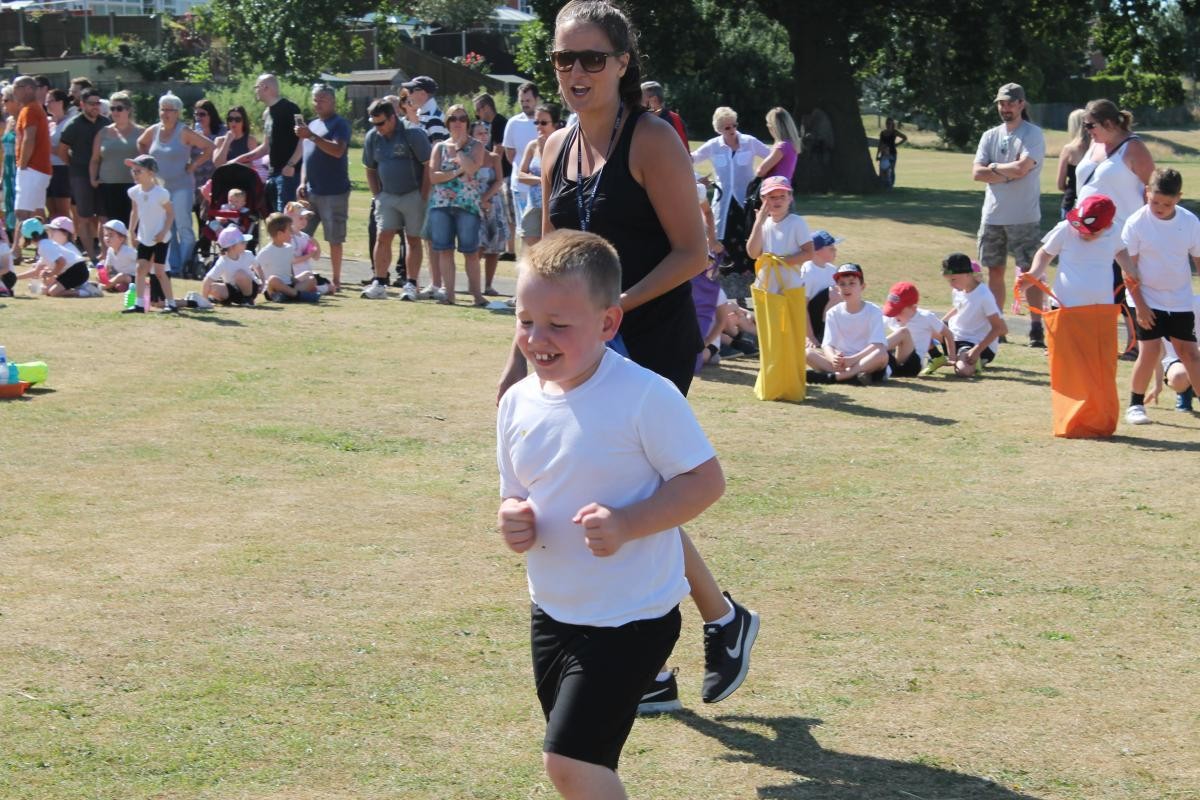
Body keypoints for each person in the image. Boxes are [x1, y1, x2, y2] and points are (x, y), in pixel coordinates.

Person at [500, 0, 759, 717]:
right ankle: (706, 627)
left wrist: (618, 315)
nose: (576, 73)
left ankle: (687, 634)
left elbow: (694, 252)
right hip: (586, 340)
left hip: (649, 340)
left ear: (622, 63)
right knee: (605, 494)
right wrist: (521, 355)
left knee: (635, 494)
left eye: (591, 58)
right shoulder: (552, 149)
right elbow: (548, 269)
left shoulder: (650, 140)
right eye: (563, 59)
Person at [497, 230, 727, 800]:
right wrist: (512, 516)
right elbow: (515, 490)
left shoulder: (645, 396)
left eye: (558, 324)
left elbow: (704, 482)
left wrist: (626, 523)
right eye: (526, 320)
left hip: (632, 618)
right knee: (584, 762)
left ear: (607, 323)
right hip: (553, 611)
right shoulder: (517, 401)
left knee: (568, 763)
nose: (537, 338)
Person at [1118, 169, 1200, 425]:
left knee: (1190, 354)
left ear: (1179, 198)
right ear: (1147, 193)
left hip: (1179, 298)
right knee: (1150, 351)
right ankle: (1135, 405)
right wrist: (1140, 306)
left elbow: (1198, 259)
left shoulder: (1189, 222)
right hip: (1145, 298)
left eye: (1166, 203)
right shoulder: (1136, 222)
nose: (1159, 208)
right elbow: (1128, 270)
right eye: (1155, 201)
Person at [1076, 98, 1157, 357]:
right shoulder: (1094, 144)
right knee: (1093, 288)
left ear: (1109, 123)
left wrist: (1151, 229)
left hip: (1122, 233)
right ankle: (1096, 341)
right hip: (1088, 231)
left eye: (1090, 125)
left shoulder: (1134, 148)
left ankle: (1135, 343)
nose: (1087, 130)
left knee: (1122, 290)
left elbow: (1152, 190)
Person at [971, 82, 1045, 347]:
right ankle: (998, 327)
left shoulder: (1032, 134)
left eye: (1010, 103)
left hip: (1024, 216)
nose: (1005, 108)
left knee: (1030, 272)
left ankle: (1036, 327)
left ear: (1021, 104)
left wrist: (994, 169)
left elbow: (1023, 168)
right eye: (1001, 103)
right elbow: (977, 173)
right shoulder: (990, 135)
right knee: (995, 272)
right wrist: (1004, 170)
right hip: (992, 216)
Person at [691, 106, 772, 303]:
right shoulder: (713, 145)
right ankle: (727, 296)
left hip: (746, 203)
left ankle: (754, 291)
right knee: (724, 245)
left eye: (734, 125)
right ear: (719, 129)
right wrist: (700, 178)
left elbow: (773, 157)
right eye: (727, 127)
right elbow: (685, 160)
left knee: (750, 243)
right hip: (724, 204)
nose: (732, 130)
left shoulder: (750, 142)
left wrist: (765, 182)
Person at [361, 100, 432, 300]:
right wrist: (378, 195)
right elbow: (370, 169)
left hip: (412, 194)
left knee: (413, 239)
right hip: (388, 196)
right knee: (383, 236)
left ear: (392, 117)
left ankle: (411, 284)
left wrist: (423, 195)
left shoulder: (413, 134)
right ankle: (379, 282)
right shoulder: (372, 138)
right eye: (374, 123)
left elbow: (428, 165)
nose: (377, 128)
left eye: (381, 123)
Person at [137, 93, 214, 276]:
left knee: (183, 226)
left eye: (170, 110)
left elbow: (209, 147)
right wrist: (146, 166)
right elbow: (141, 143)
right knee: (166, 228)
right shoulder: (154, 130)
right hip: (160, 187)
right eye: (163, 109)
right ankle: (174, 266)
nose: (165, 113)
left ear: (177, 112)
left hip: (181, 186)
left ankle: (187, 265)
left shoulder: (184, 131)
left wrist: (194, 164)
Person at [1021, 193, 1128, 308]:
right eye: (1080, 227)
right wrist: (1034, 274)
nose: (1083, 233)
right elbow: (1046, 253)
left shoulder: (1113, 231)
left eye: (1091, 232)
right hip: (1065, 305)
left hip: (1101, 306)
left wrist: (1131, 271)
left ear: (1107, 226)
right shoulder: (1066, 228)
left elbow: (1121, 251)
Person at [427, 104, 486, 306]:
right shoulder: (439, 147)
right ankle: (449, 294)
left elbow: (471, 169)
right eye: (453, 119)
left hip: (468, 205)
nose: (458, 123)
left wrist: (460, 149)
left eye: (462, 119)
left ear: (468, 123)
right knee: (444, 250)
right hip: (441, 204)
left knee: (470, 252)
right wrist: (454, 173)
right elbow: (433, 177)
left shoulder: (476, 146)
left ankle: (477, 295)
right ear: (447, 123)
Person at [295, 85, 350, 291]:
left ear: (333, 102)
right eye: (315, 99)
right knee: (301, 236)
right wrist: (302, 182)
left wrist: (312, 136)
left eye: (323, 99)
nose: (318, 103)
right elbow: (306, 158)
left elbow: (337, 150)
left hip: (334, 191)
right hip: (311, 190)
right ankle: (300, 276)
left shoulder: (339, 124)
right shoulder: (312, 124)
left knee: (334, 238)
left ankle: (337, 280)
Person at [805, 262, 890, 384]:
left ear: (862, 286)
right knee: (808, 353)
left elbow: (878, 345)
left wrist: (853, 359)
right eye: (842, 284)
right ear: (837, 289)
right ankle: (853, 376)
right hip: (842, 363)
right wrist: (833, 358)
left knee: (881, 354)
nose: (846, 287)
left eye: (852, 283)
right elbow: (828, 345)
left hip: (866, 361)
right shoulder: (833, 313)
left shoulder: (873, 311)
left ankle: (837, 377)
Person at [233, 74, 303, 211]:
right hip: (273, 173)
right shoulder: (266, 113)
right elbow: (265, 147)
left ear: (265, 87)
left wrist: (291, 165)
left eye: (256, 87)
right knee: (271, 218)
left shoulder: (291, 108)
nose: (255, 91)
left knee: (285, 219)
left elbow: (303, 138)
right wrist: (238, 160)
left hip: (289, 174)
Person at [122, 154, 177, 314]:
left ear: (151, 173)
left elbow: (170, 214)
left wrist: (163, 232)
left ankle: (171, 304)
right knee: (140, 269)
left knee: (159, 272)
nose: (135, 174)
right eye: (134, 171)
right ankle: (139, 304)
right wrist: (131, 231)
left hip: (160, 237)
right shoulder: (134, 192)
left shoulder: (161, 193)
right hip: (145, 237)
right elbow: (135, 211)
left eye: (139, 170)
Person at [59, 88, 110, 260]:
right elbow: (62, 151)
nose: (95, 106)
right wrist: (74, 166)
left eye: (98, 103)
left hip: (103, 175)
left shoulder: (106, 123)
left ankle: (105, 254)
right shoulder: (73, 125)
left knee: (104, 217)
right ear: (82, 104)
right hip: (80, 175)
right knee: (84, 216)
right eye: (91, 103)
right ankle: (91, 256)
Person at [941, 252, 1007, 376]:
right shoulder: (958, 291)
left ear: (967, 274)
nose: (951, 284)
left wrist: (976, 350)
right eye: (948, 280)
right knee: (921, 325)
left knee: (963, 371)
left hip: (972, 343)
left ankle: (969, 361)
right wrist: (940, 324)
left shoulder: (984, 295)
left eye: (953, 279)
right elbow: (959, 308)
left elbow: (1001, 328)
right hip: (953, 337)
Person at [13, 76, 53, 256]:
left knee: (22, 211)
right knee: (37, 212)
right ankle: (42, 250)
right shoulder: (33, 109)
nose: (14, 91)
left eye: (18, 87)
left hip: (32, 168)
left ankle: (15, 251)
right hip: (40, 168)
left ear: (29, 88)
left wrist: (22, 164)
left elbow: (29, 138)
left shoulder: (30, 110)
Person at [90, 91, 142, 227]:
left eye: (119, 108)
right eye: (112, 108)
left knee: (133, 226)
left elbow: (148, 160)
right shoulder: (103, 132)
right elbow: (95, 159)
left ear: (129, 110)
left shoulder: (141, 132)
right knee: (112, 227)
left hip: (134, 185)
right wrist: (93, 179)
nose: (115, 112)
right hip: (108, 186)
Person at [882, 281, 954, 377]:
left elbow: (948, 334)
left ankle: (873, 353)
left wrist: (952, 357)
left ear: (913, 308)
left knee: (903, 332)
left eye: (898, 311)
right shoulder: (892, 317)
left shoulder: (926, 317)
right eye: (892, 311)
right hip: (895, 360)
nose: (895, 316)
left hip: (912, 365)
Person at [474, 92, 514, 261]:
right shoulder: (490, 124)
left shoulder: (499, 123)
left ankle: (509, 249)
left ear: (485, 107)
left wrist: (487, 163)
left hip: (503, 175)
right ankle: (507, 248)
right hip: (498, 175)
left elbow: (499, 150)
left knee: (506, 214)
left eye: (478, 110)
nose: (477, 114)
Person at [745, 175, 813, 275]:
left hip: (790, 286)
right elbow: (753, 254)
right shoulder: (763, 223)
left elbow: (809, 253)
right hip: (767, 285)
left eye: (782, 196)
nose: (777, 200)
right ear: (763, 199)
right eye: (772, 197)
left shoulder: (797, 222)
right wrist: (758, 223)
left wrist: (778, 262)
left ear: (790, 197)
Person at [13, 216, 95, 297]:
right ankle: (85, 287)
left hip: (77, 271)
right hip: (72, 271)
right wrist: (14, 277)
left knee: (53, 292)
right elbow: (36, 270)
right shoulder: (44, 244)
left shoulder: (44, 246)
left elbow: (62, 262)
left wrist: (51, 273)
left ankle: (85, 292)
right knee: (45, 291)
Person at [502, 82, 540, 254]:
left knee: (541, 231)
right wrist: (523, 169)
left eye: (528, 100)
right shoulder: (513, 123)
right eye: (522, 100)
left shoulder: (544, 122)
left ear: (536, 99)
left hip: (541, 188)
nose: (525, 103)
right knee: (524, 231)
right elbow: (510, 153)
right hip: (520, 187)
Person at [471, 119, 508, 295]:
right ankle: (474, 284)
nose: (484, 136)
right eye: (479, 133)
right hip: (473, 205)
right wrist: (479, 200)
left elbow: (499, 180)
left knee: (494, 247)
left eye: (486, 132)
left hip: (493, 205)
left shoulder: (493, 157)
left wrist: (487, 198)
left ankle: (488, 285)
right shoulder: (468, 156)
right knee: (476, 245)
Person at [517, 104, 560, 250]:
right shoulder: (532, 146)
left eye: (543, 122)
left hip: (553, 206)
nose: (539, 126)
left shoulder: (562, 144)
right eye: (536, 122)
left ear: (554, 124)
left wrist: (543, 151)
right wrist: (539, 180)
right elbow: (520, 175)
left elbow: (553, 175)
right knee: (530, 254)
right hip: (534, 205)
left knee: (550, 252)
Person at [255, 212, 318, 302]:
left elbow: (288, 269)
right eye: (289, 230)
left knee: (310, 277)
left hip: (289, 284)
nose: (292, 233)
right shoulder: (267, 251)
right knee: (273, 279)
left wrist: (294, 279)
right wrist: (262, 281)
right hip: (273, 288)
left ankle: (287, 295)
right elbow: (254, 266)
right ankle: (296, 295)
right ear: (280, 234)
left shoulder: (289, 248)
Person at [798, 230, 841, 347]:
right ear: (816, 252)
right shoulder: (808, 271)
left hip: (827, 315)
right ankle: (820, 334)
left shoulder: (833, 269)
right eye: (831, 248)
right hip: (812, 321)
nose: (835, 250)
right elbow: (801, 306)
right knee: (836, 291)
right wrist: (809, 336)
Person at [202, 224, 261, 305]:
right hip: (233, 289)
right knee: (212, 288)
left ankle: (248, 300)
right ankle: (226, 300)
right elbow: (207, 280)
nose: (245, 243)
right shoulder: (222, 262)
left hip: (251, 289)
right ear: (232, 247)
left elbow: (258, 267)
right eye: (242, 242)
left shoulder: (248, 254)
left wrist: (263, 283)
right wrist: (204, 301)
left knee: (240, 274)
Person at [45, 89, 74, 224]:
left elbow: (67, 149)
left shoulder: (68, 123)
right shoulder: (50, 124)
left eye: (50, 100)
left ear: (60, 102)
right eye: (47, 101)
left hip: (62, 169)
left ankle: (68, 239)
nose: (47, 104)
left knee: (63, 210)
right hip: (48, 168)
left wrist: (48, 149)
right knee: (51, 209)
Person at [1056, 109, 1090, 220]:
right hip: (1093, 204)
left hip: (1071, 203)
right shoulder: (1098, 148)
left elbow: (1060, 184)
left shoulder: (1069, 150)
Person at [756, 107, 801, 181]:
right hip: (784, 188)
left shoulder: (782, 146)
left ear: (774, 127)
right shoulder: (791, 145)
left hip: (775, 189)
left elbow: (760, 171)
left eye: (769, 125)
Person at [640, 80, 688, 148]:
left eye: (641, 99)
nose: (638, 103)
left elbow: (684, 151)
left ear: (654, 100)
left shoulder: (674, 120)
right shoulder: (640, 119)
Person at [2, 85, 18, 246]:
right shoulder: (9, 121)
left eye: (6, 100)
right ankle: (13, 243)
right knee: (8, 205)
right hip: (7, 168)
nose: (3, 103)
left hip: (19, 167)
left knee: (19, 206)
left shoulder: (23, 118)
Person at [876, 117, 908, 188]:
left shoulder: (894, 132)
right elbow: (880, 144)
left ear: (892, 124)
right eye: (887, 123)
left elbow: (905, 138)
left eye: (890, 123)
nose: (888, 125)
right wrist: (877, 154)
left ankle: (890, 185)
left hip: (892, 153)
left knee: (891, 169)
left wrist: (897, 144)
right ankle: (883, 185)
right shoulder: (883, 133)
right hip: (884, 154)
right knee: (882, 169)